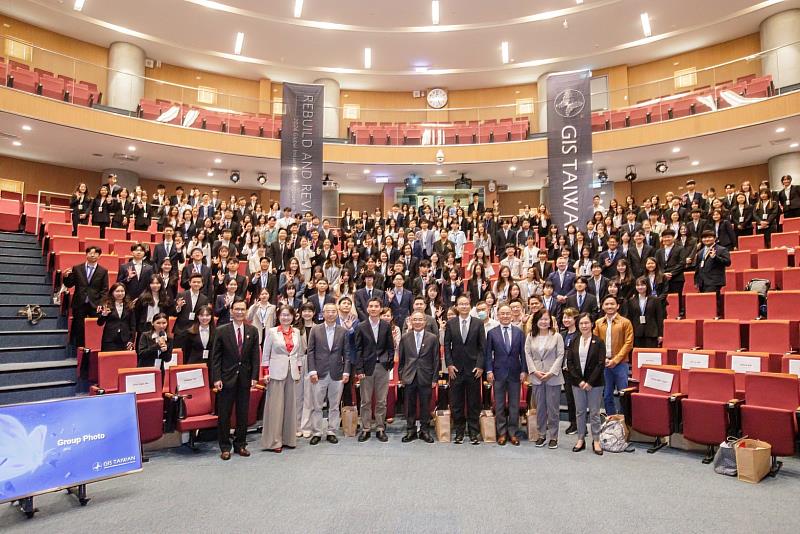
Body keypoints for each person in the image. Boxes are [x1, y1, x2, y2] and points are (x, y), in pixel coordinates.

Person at [211, 299, 260, 460]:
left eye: (242, 309)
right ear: (231, 311)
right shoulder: (221, 330)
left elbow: (254, 357)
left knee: (243, 414)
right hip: (226, 379)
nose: (239, 312)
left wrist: (254, 377)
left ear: (246, 311)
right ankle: (225, 447)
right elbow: (215, 358)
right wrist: (216, 378)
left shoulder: (252, 331)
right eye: (237, 309)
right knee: (224, 414)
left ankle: (241, 444)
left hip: (245, 379)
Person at [260, 305, 304, 452]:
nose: (286, 318)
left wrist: (298, 370)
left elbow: (297, 354)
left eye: (288, 315)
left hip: (291, 373)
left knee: (290, 407)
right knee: (275, 408)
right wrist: (265, 373)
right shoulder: (272, 332)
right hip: (276, 373)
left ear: (293, 317)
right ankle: (274, 441)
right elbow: (265, 355)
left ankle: (288, 438)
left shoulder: (297, 332)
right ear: (278, 317)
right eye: (283, 315)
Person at [307, 303, 351, 445]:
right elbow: (311, 351)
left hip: (337, 373)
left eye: (333, 311)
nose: (331, 314)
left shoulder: (343, 331)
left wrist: (346, 371)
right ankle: (317, 432)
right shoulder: (315, 329)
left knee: (334, 405)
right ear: (323, 313)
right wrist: (312, 370)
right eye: (328, 311)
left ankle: (332, 431)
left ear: (336, 313)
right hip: (318, 373)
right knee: (317, 405)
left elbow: (347, 353)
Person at [444, 295, 485, 445]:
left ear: (470, 306)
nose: (464, 306)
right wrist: (449, 364)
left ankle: (474, 432)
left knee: (474, 402)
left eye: (466, 304)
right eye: (461, 304)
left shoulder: (478, 323)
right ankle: (459, 432)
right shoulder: (451, 323)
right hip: (455, 369)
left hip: (474, 369)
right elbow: (447, 346)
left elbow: (482, 347)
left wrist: (480, 365)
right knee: (456, 402)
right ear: (456, 306)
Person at [484, 304, 527, 446]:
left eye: (508, 313)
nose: (505, 316)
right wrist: (489, 370)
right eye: (502, 313)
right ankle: (502, 433)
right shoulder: (492, 333)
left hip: (515, 373)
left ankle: (513, 433)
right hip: (498, 373)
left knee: (514, 405)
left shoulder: (519, 332)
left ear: (512, 314)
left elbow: (523, 353)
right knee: (500, 405)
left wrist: (523, 371)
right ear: (498, 315)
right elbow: (488, 354)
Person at [354, 297, 395, 442]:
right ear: (367, 309)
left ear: (380, 308)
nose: (373, 308)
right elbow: (358, 349)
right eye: (370, 306)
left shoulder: (385, 326)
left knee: (381, 400)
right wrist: (359, 369)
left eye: (376, 306)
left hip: (382, 367)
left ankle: (380, 428)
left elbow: (391, 347)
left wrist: (389, 363)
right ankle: (365, 428)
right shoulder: (361, 326)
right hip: (366, 368)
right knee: (365, 400)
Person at [398, 311, 440, 444]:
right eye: (414, 319)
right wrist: (401, 376)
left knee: (425, 405)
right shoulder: (405, 337)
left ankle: (424, 430)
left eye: (420, 320)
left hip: (426, 376)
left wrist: (434, 379)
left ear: (425, 322)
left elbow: (436, 359)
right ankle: (410, 430)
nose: (417, 322)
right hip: (409, 376)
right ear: (410, 321)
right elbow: (402, 359)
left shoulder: (432, 338)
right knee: (409, 405)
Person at [566, 313, 606, 455]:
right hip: (577, 383)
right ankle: (580, 439)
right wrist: (580, 381)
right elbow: (570, 363)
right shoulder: (574, 341)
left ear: (592, 324)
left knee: (594, 413)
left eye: (587, 323)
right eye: (581, 323)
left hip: (595, 383)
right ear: (578, 325)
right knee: (580, 412)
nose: (584, 326)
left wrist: (589, 382)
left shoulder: (599, 342)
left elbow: (600, 364)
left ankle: (596, 440)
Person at [525, 308, 565, 449]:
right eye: (541, 319)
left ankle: (553, 437)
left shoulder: (557, 336)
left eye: (546, 319)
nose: (543, 321)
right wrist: (534, 371)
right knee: (540, 407)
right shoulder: (530, 336)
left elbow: (561, 355)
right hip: (536, 376)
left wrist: (551, 372)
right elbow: (527, 354)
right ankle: (541, 434)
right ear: (536, 321)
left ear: (550, 321)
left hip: (552, 377)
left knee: (553, 408)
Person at [593, 295, 634, 415]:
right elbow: (595, 343)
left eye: (612, 304)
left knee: (623, 395)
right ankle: (611, 421)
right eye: (607, 304)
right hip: (604, 364)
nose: (609, 306)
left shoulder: (626, 322)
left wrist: (615, 360)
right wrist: (603, 359)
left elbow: (628, 344)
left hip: (621, 364)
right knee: (607, 395)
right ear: (602, 306)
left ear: (618, 306)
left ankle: (624, 421)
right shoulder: (598, 323)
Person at [63, 246, 108, 348]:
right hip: (79, 302)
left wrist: (101, 303)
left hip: (95, 304)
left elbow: (105, 290)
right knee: (79, 327)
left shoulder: (103, 271)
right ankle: (80, 350)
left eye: (96, 253)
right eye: (90, 253)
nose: (93, 255)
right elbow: (70, 284)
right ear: (86, 254)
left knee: (94, 327)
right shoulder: (77, 268)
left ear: (99, 256)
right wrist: (65, 277)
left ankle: (93, 347)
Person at [694, 229, 731, 317]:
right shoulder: (700, 252)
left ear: (715, 238)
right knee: (705, 302)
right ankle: (708, 317)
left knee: (712, 301)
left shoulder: (721, 249)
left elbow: (728, 262)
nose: (707, 239)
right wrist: (696, 281)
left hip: (714, 280)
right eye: (704, 238)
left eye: (709, 237)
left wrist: (715, 257)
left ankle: (716, 317)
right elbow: (698, 268)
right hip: (702, 281)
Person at [96, 282, 135, 351]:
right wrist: (103, 315)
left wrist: (132, 340)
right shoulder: (106, 304)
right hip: (110, 339)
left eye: (122, 291)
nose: (120, 293)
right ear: (112, 292)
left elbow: (132, 325)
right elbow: (99, 323)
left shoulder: (129, 305)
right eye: (117, 291)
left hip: (125, 339)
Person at [559, 307, 580, 435]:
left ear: (575, 319)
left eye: (569, 317)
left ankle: (580, 423)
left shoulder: (580, 334)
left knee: (579, 399)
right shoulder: (562, 334)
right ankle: (573, 423)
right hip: (565, 371)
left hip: (577, 371)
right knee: (569, 398)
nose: (566, 320)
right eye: (564, 317)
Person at [627, 277, 664, 348]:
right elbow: (630, 318)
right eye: (638, 285)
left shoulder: (655, 299)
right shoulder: (631, 301)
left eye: (642, 285)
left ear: (647, 286)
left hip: (652, 332)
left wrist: (660, 334)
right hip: (636, 332)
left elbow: (659, 318)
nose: (640, 287)